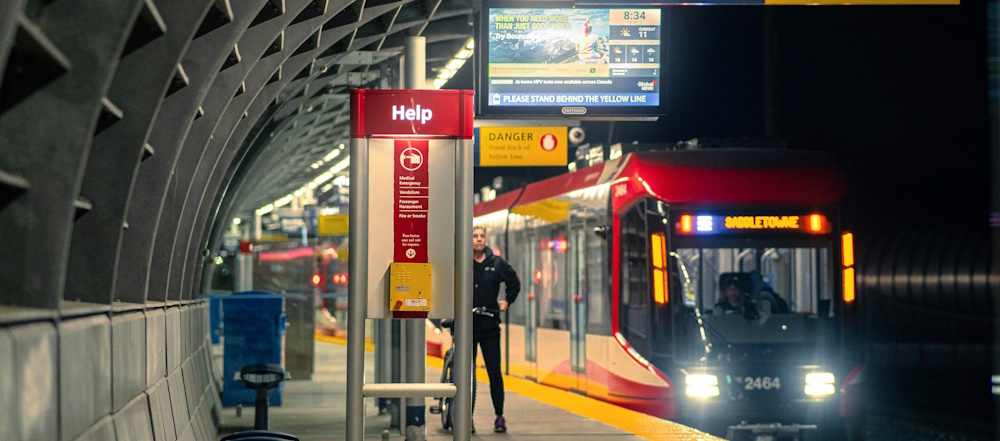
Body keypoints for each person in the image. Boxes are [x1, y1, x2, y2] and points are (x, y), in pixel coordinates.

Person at [472, 225, 520, 433]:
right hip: (468, 325)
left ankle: (499, 416)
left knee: (494, 373)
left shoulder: (497, 263)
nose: (479, 240)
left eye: (482, 236)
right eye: (475, 236)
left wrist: (507, 301)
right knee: (467, 374)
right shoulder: (462, 261)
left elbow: (514, 283)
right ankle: (466, 416)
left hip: (490, 324)